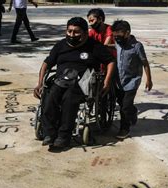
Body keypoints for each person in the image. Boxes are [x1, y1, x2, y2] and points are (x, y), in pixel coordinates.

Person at [33, 17, 115, 149]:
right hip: (61, 80)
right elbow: (46, 64)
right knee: (50, 96)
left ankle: (63, 136)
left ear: (85, 33)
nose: (72, 35)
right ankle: (50, 133)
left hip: (82, 83)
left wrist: (107, 81)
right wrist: (39, 83)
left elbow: (111, 61)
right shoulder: (61, 45)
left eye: (76, 32)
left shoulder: (94, 46)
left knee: (69, 99)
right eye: (69, 31)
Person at [111, 20, 153, 140]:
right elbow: (113, 46)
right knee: (122, 104)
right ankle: (133, 111)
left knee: (125, 107)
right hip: (119, 81)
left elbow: (145, 63)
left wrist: (149, 79)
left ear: (127, 33)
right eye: (115, 36)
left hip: (132, 81)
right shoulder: (117, 43)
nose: (117, 38)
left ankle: (125, 128)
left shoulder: (137, 46)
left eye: (119, 35)